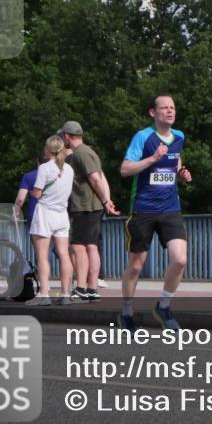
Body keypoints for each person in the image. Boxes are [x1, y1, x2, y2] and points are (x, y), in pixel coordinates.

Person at [117, 94, 192, 332]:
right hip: (143, 209)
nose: (170, 111)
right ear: (153, 112)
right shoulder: (143, 137)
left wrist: (181, 173)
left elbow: (174, 160)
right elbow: (125, 169)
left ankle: (163, 306)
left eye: (172, 107)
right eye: (164, 108)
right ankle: (127, 313)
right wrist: (152, 158)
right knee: (137, 265)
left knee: (180, 259)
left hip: (170, 207)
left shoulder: (179, 136)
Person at [61, 121, 118, 302]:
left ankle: (82, 287)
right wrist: (104, 201)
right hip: (92, 207)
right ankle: (92, 288)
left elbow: (95, 179)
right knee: (91, 246)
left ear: (67, 137)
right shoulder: (87, 152)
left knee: (78, 246)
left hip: (84, 206)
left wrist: (105, 200)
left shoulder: (81, 154)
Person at [26, 135, 75, 306]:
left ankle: (44, 294)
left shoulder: (45, 168)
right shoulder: (69, 169)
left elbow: (38, 193)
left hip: (45, 213)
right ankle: (65, 293)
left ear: (48, 149)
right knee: (63, 254)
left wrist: (33, 193)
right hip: (62, 213)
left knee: (42, 255)